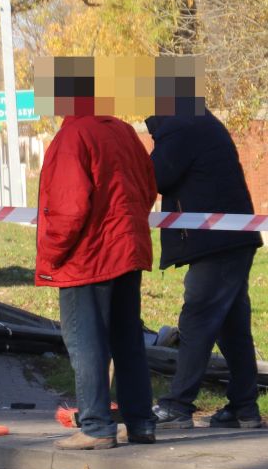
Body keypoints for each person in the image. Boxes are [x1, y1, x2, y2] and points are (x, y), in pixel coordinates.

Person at [36, 109, 157, 449]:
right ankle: (141, 423)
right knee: (128, 340)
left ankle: (96, 425)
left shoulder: (72, 137)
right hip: (127, 249)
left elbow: (68, 206)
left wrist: (51, 253)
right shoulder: (123, 132)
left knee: (86, 342)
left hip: (87, 257)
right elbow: (148, 188)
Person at [145, 108, 263, 429]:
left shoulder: (182, 124)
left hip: (216, 242)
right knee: (232, 328)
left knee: (196, 319)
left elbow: (154, 176)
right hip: (231, 238)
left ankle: (177, 407)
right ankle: (244, 407)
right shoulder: (196, 120)